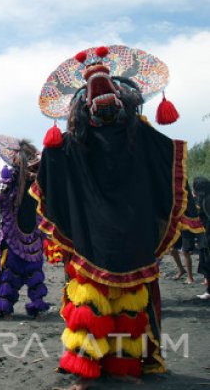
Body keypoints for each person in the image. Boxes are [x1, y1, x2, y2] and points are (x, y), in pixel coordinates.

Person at [31, 45, 203, 389]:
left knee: (126, 306)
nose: (104, 105)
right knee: (91, 307)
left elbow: (165, 156)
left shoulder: (137, 135)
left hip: (127, 232)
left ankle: (123, 367)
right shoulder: (75, 144)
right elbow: (54, 162)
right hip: (94, 234)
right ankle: (84, 371)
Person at [0, 137, 49, 319]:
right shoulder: (10, 179)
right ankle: (5, 307)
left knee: (33, 272)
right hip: (14, 235)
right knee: (9, 272)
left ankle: (35, 306)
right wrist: (7, 179)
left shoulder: (38, 182)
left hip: (32, 233)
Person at [194, 176, 210, 299]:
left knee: (207, 262)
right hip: (206, 236)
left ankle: (209, 291)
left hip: (207, 236)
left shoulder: (205, 201)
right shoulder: (204, 199)